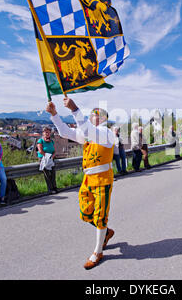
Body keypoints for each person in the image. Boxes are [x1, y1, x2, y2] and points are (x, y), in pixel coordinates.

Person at [46, 98, 115, 270]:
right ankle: (106, 232)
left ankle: (98, 251)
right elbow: (65, 132)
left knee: (100, 216)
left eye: (99, 115)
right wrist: (54, 114)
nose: (95, 116)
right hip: (87, 179)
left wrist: (75, 109)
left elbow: (89, 130)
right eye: (93, 114)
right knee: (85, 214)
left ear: (105, 119)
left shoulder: (106, 134)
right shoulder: (87, 135)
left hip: (102, 179)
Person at [37, 126, 58, 194]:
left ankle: (55, 187)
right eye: (46, 132)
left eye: (48, 132)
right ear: (43, 133)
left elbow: (54, 151)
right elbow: (40, 151)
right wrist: (47, 157)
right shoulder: (40, 141)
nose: (47, 134)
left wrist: (52, 157)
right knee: (47, 175)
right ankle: (50, 189)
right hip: (43, 159)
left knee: (53, 174)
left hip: (51, 159)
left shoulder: (51, 141)